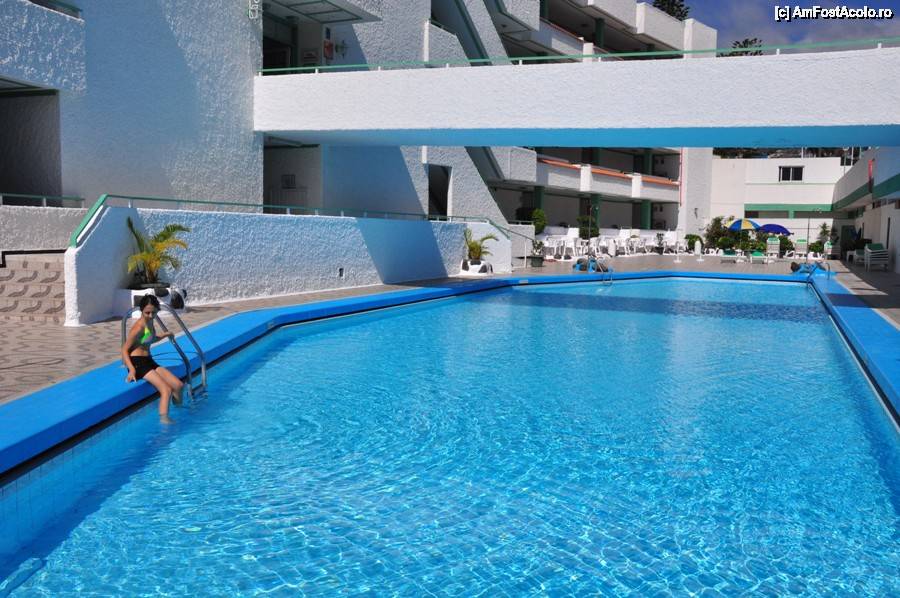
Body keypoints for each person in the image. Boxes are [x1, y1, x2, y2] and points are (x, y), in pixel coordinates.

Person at [122, 295, 184, 423]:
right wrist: (131, 370)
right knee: (166, 390)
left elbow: (148, 339)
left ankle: (179, 411)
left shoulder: (149, 322)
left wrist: (165, 335)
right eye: (147, 313)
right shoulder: (138, 328)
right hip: (137, 363)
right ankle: (164, 421)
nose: (150, 315)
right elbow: (124, 350)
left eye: (153, 312)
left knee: (178, 385)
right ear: (141, 310)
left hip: (148, 361)